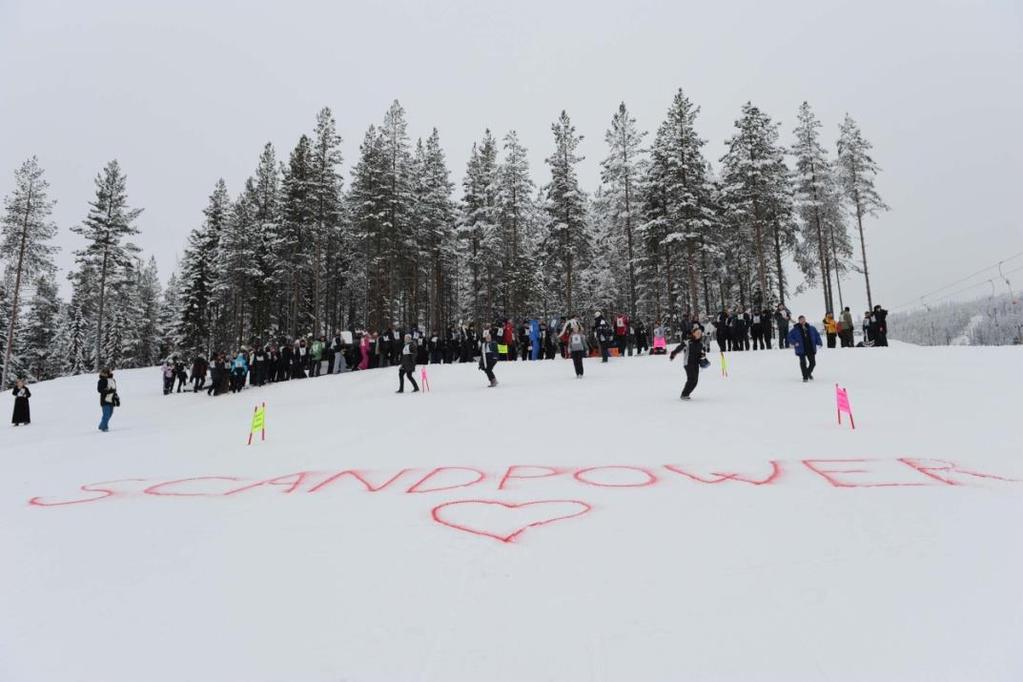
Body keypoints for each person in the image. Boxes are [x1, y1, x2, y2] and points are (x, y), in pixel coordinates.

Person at [670, 327, 707, 400]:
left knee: (695, 381)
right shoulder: (688, 342)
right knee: (691, 379)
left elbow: (702, 353)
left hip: (696, 364)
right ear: (693, 333)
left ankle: (686, 394)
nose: (699, 334)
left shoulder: (700, 344)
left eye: (700, 333)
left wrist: (703, 357)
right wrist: (673, 354)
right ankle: (684, 394)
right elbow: (679, 348)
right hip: (688, 363)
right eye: (697, 333)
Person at [787, 315, 823, 382]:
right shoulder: (795, 329)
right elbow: (789, 337)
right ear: (799, 321)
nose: (802, 321)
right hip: (801, 348)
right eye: (801, 320)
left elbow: (817, 335)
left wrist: (819, 343)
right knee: (803, 363)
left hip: (810, 347)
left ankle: (808, 373)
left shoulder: (811, 328)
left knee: (813, 363)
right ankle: (805, 377)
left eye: (803, 319)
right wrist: (794, 342)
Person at [97, 368, 118, 432]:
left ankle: (101, 425)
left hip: (111, 399)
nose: (106, 373)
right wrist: (107, 391)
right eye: (105, 372)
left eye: (107, 372)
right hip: (105, 400)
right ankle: (104, 427)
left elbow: (114, 389)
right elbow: (99, 390)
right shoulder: (101, 380)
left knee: (110, 414)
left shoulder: (112, 380)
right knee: (106, 414)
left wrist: (116, 397)